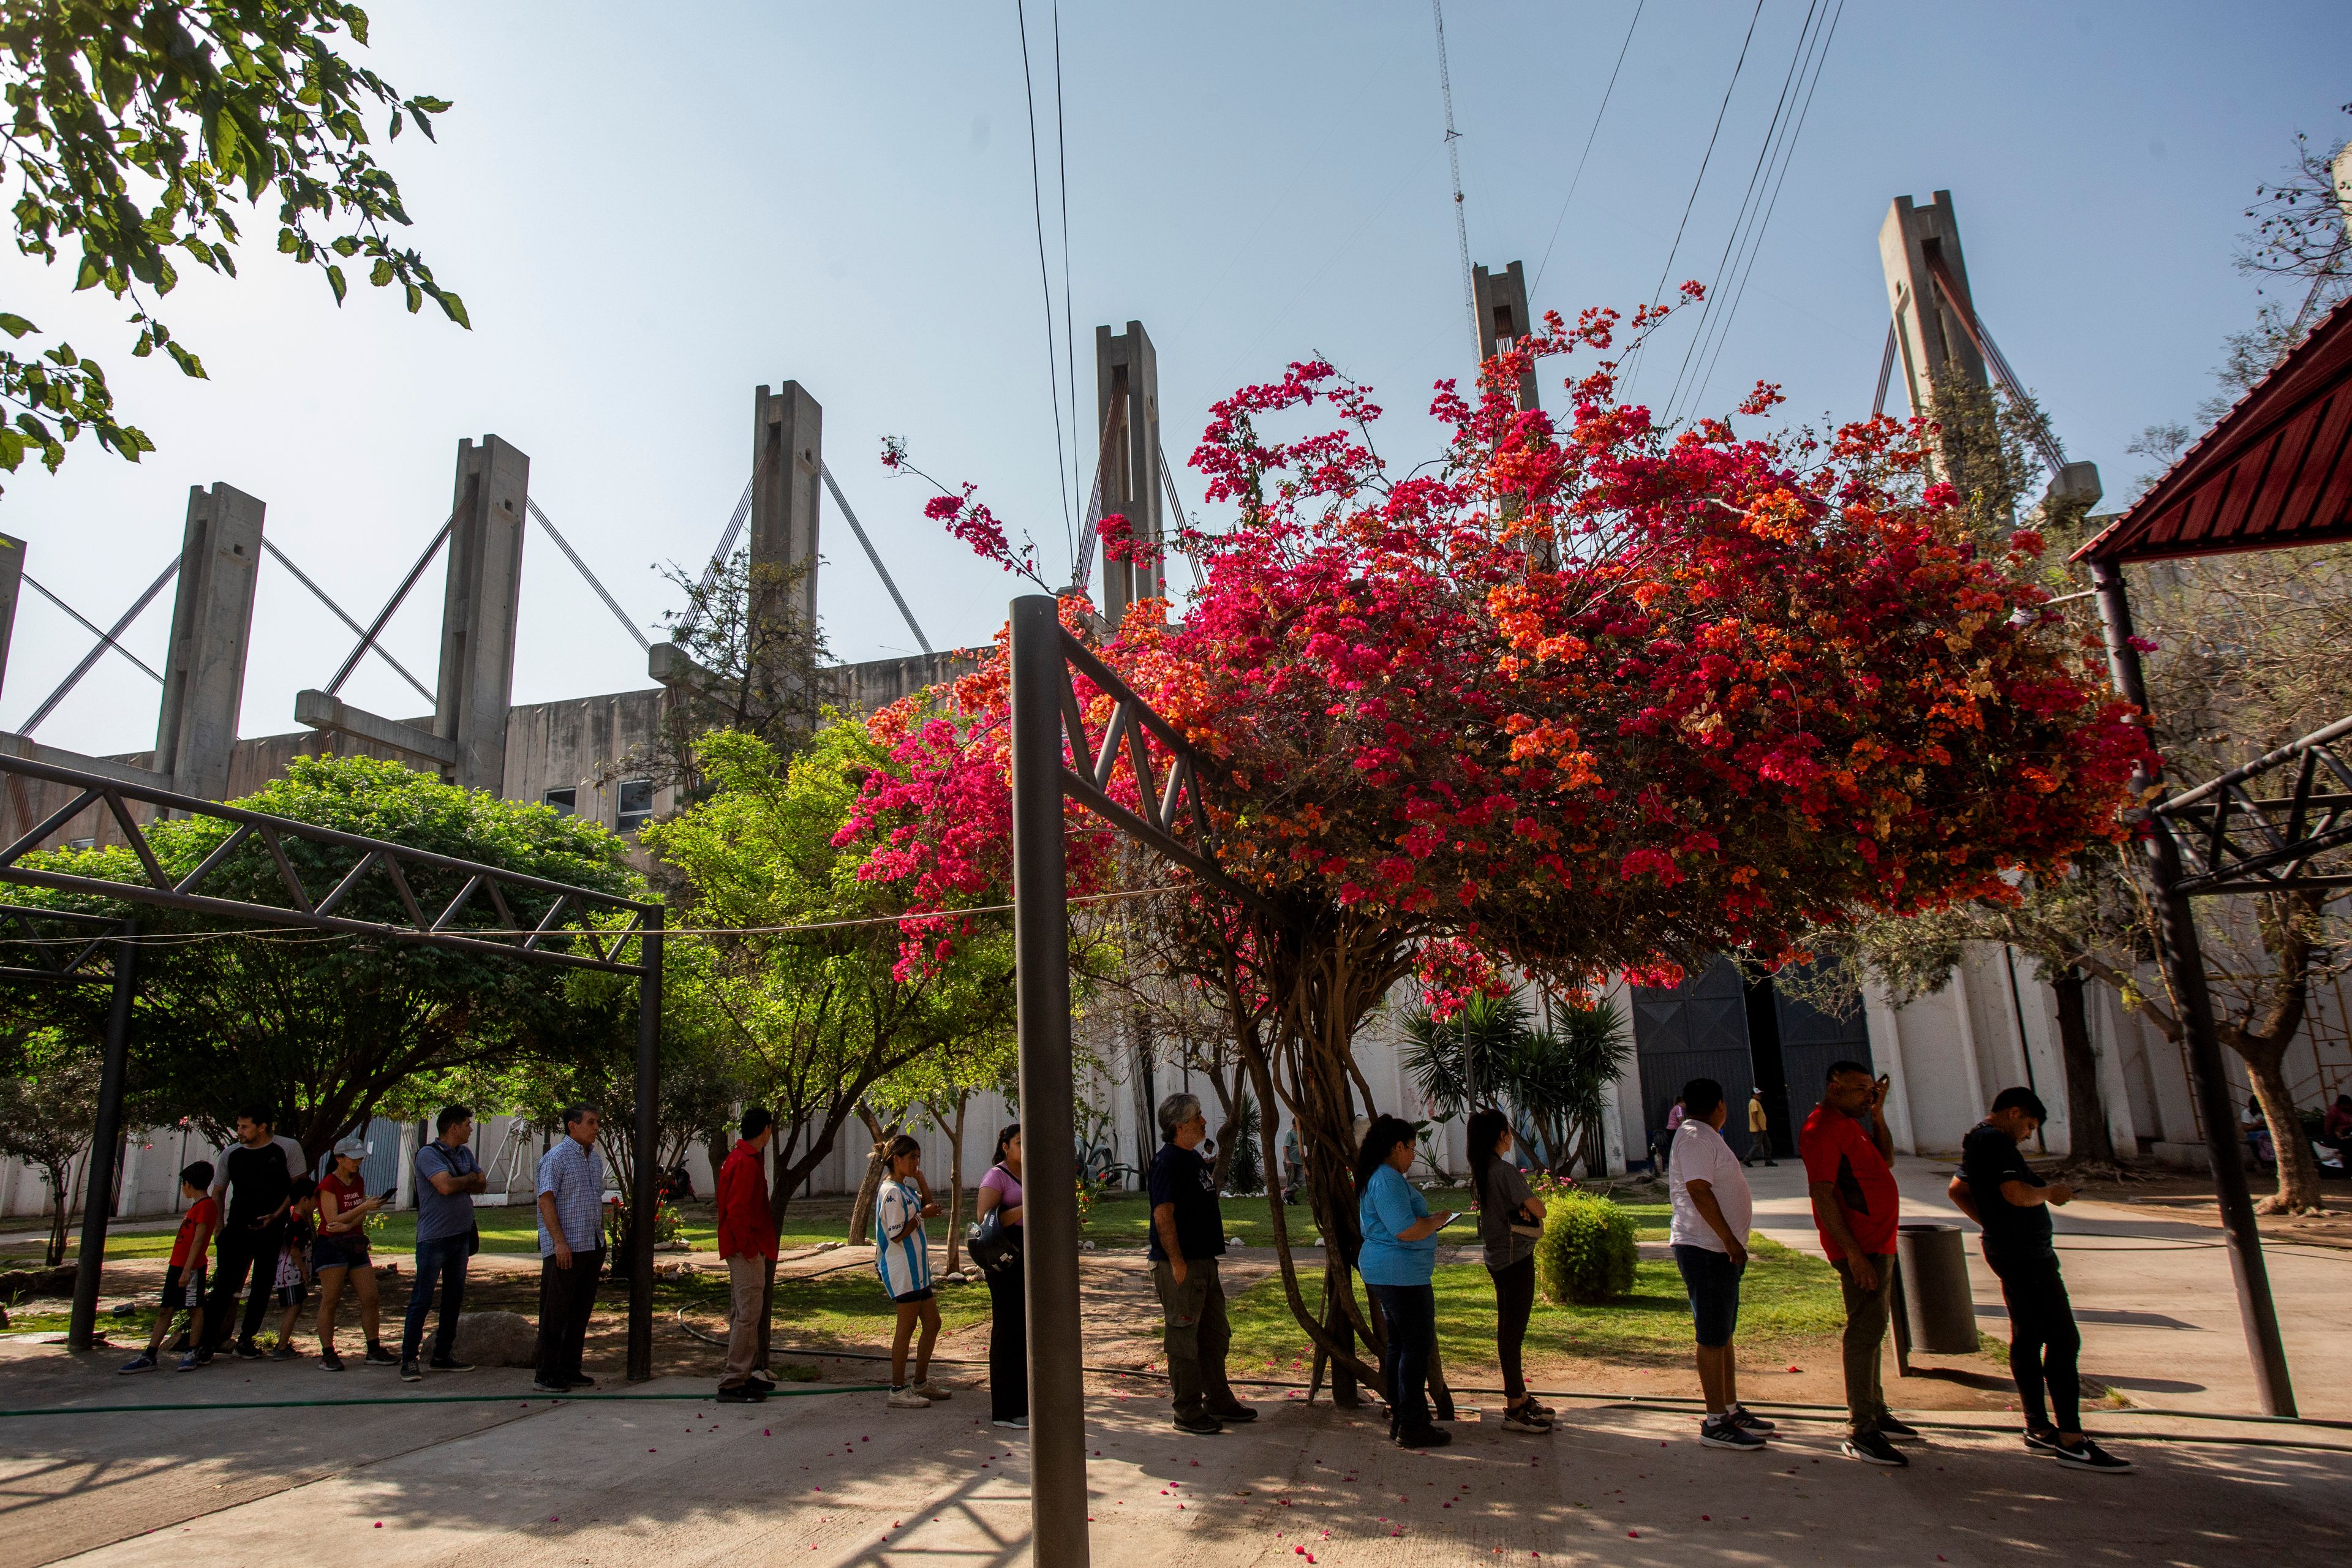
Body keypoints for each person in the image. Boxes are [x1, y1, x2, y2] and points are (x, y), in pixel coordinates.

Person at [1950, 1088, 2131, 1472]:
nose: (2029, 1134)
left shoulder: (1977, 1139)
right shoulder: (1996, 1141)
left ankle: (2038, 1427)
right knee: (2064, 1339)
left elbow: (1957, 1190)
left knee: (2029, 1336)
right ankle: (2072, 1440)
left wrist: (1992, 1225)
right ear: (2014, 1113)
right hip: (2026, 1256)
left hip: (2009, 1248)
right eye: (2029, 1125)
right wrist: (2050, 1193)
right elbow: (2015, 1194)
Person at [1800, 1060, 1917, 1466]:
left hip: (1877, 1243)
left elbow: (1886, 1161)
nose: (1869, 1096)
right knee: (1864, 1332)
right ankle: (1862, 1428)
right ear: (1835, 1088)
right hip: (1861, 1248)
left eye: (1873, 1091)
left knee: (1875, 1328)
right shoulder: (1823, 1129)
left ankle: (1877, 1410)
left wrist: (1879, 1115)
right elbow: (1822, 1192)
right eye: (1862, 1090)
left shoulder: (1851, 1124)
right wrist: (1851, 1253)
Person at [1669, 1077, 1772, 1451]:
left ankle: (1729, 1408)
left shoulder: (1705, 1134)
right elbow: (1698, 1189)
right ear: (1721, 1106)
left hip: (1720, 1249)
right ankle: (1715, 1421)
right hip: (1706, 1248)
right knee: (1712, 1334)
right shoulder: (1695, 1136)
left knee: (1724, 1331)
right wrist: (1729, 1239)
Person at [1149, 1092, 1255, 1436]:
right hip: (1182, 1265)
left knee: (1214, 1334)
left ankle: (1219, 1399)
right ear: (1180, 1126)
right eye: (1197, 1118)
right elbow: (1163, 1215)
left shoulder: (1192, 1158)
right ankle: (1187, 1410)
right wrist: (1177, 1262)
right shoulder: (1167, 1162)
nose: (1203, 1122)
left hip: (1205, 1262)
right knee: (1184, 1338)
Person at [1357, 1114, 1453, 1449]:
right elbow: (1405, 1229)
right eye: (1411, 1148)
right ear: (1397, 1147)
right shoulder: (1386, 1179)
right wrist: (1436, 1221)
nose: (1414, 1155)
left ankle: (1403, 1418)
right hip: (1400, 1275)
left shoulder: (1384, 1177)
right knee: (1416, 1346)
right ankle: (1412, 1423)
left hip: (1395, 1272)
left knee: (1401, 1346)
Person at [1465, 1107, 1551, 1434]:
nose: (1511, 1136)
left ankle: (1519, 1395)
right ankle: (1515, 1404)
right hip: (1516, 1259)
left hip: (1498, 1258)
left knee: (1508, 1331)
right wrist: (1529, 1209)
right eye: (1508, 1131)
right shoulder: (1504, 1171)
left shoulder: (1482, 1171)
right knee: (1512, 1333)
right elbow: (1539, 1208)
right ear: (1501, 1136)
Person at [402, 1103, 487, 1381]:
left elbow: (482, 1183)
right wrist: (468, 1179)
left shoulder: (464, 1153)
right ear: (453, 1128)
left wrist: (465, 1179)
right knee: (422, 1298)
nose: (470, 1129)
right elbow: (445, 1186)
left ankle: (442, 1354)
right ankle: (409, 1360)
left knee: (454, 1298)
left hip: (461, 1236)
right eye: (467, 1125)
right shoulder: (428, 1154)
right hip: (434, 1238)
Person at [202, 1109, 295, 1360]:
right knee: (225, 1286)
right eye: (238, 1126)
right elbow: (218, 1193)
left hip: (271, 1230)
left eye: (245, 1127)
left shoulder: (286, 1148)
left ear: (262, 1127)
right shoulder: (231, 1154)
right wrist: (219, 1230)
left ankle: (247, 1339)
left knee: (262, 1286)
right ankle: (206, 1343)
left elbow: (298, 1186)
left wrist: (277, 1215)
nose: (239, 1132)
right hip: (236, 1229)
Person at [534, 1105, 606, 1394]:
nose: (596, 1128)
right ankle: (546, 1372)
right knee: (555, 1311)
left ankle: (570, 1367)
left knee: (580, 1311)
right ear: (572, 1126)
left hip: (592, 1245)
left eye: (598, 1122)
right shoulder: (556, 1159)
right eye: (591, 1122)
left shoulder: (595, 1159)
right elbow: (546, 1201)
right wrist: (559, 1242)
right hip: (566, 1248)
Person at [875, 1134, 948, 1409]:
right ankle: (897, 1389)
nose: (917, 1162)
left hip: (917, 1269)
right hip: (901, 1268)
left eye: (919, 1157)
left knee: (933, 1323)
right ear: (897, 1160)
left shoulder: (905, 1187)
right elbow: (896, 1235)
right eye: (912, 1158)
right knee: (906, 1327)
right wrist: (919, 1217)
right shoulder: (891, 1192)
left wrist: (923, 1181)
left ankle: (920, 1382)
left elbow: (931, 1208)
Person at [122, 1162, 216, 1373]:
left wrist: (187, 1269)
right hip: (177, 1266)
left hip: (191, 1268)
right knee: (166, 1309)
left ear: (189, 1185)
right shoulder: (196, 1207)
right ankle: (150, 1354)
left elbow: (199, 1241)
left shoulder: (206, 1206)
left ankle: (192, 1351)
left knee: (194, 1307)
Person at [314, 1136, 394, 1370]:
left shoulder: (357, 1180)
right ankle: (328, 1352)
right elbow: (332, 1220)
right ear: (339, 1159)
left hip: (355, 1242)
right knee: (331, 1299)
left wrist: (353, 1222)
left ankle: (374, 1348)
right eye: (353, 1158)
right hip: (331, 1246)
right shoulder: (328, 1184)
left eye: (360, 1158)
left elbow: (353, 1217)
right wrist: (363, 1207)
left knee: (370, 1297)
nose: (358, 1162)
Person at [715, 1106, 777, 1403]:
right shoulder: (745, 1162)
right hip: (745, 1250)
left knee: (744, 1312)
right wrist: (750, 1249)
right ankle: (733, 1380)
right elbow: (737, 1211)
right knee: (748, 1312)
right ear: (765, 1130)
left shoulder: (741, 1158)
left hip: (744, 1247)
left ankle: (744, 1372)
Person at [976, 1123, 1028, 1430]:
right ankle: (1005, 1410)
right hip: (1005, 1258)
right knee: (1008, 1328)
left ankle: (1025, 1402)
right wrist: (1025, 1207)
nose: (1026, 1147)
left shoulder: (1032, 1171)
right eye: (1020, 1142)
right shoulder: (996, 1177)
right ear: (1006, 1146)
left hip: (1030, 1257)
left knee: (1026, 1329)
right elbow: (984, 1220)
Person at [268, 1177, 317, 1359]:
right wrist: (305, 1272)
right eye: (314, 1199)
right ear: (304, 1200)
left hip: (293, 1272)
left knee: (296, 1306)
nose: (316, 1203)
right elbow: (294, 1249)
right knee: (293, 1307)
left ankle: (284, 1344)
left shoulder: (298, 1219)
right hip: (290, 1273)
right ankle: (281, 1347)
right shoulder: (296, 1221)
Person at [1745, 1090, 1777, 1167]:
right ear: (1753, 1095)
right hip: (1758, 1129)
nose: (1760, 1096)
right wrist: (1758, 1126)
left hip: (1762, 1128)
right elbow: (1754, 1115)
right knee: (1758, 1145)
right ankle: (1748, 1159)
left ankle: (1768, 1161)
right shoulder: (1754, 1102)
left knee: (1767, 1145)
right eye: (1758, 1094)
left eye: (1760, 1094)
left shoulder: (1756, 1102)